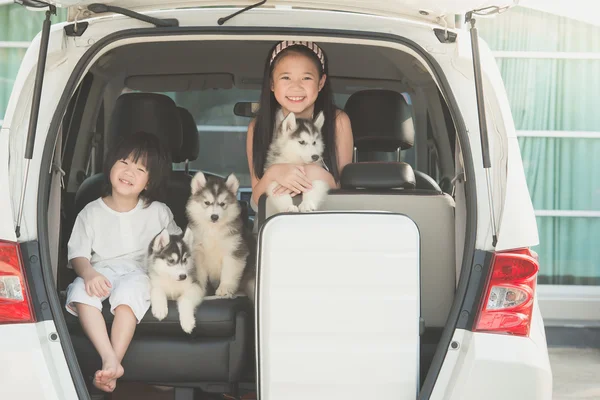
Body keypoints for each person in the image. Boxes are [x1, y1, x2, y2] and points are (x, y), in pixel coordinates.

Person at [64, 131, 181, 392]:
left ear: (149, 182)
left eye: (140, 169)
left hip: (140, 273)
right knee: (80, 290)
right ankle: (109, 357)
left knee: (131, 292)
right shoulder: (91, 211)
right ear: (111, 165)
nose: (129, 172)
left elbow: (178, 249)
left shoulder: (159, 212)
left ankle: (113, 361)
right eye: (124, 162)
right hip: (101, 271)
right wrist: (89, 274)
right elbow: (78, 255)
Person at [246, 40, 354, 210]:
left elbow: (342, 191)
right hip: (272, 223)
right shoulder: (258, 127)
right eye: (286, 77)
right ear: (272, 84)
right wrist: (276, 172)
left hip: (326, 219)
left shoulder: (337, 121)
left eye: (306, 78)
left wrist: (309, 172)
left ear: (321, 83)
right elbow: (257, 199)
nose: (296, 86)